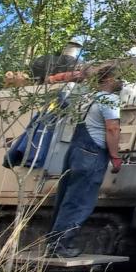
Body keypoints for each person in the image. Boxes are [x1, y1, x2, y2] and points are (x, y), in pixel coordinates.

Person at [46, 65, 124, 257]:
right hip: (92, 153)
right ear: (107, 80)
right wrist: (115, 156)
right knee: (80, 200)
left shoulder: (87, 97)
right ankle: (61, 246)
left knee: (66, 198)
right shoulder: (109, 99)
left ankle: (53, 243)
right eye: (118, 78)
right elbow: (112, 129)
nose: (122, 82)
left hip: (75, 150)